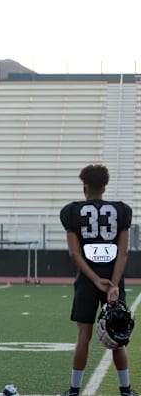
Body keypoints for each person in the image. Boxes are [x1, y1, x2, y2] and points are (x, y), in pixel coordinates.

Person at [59, 164, 137, 396]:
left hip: (87, 280)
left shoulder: (72, 212)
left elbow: (75, 254)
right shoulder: (122, 210)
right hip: (113, 279)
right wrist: (112, 284)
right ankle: (125, 390)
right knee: (117, 335)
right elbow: (122, 253)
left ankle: (74, 389)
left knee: (83, 336)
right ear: (105, 186)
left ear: (85, 188)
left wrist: (94, 279)